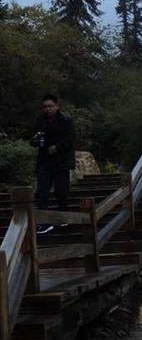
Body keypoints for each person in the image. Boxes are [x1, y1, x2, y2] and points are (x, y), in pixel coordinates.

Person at [32, 93, 76, 234]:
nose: (48, 109)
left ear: (57, 106)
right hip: (44, 161)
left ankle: (63, 218)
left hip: (61, 162)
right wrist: (35, 141)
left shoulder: (65, 120)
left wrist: (57, 147)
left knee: (61, 191)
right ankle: (44, 222)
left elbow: (70, 139)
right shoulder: (40, 120)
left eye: (50, 106)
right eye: (45, 107)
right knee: (42, 192)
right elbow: (33, 136)